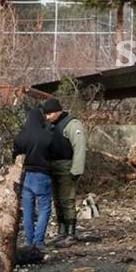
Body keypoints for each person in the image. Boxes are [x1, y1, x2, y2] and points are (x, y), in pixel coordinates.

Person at [43, 98, 87, 247]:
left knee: (67, 200)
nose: (47, 117)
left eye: (49, 114)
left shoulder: (72, 124)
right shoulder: (50, 125)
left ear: (57, 111)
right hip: (52, 166)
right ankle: (62, 231)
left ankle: (71, 233)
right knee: (57, 200)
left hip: (67, 166)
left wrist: (77, 169)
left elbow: (79, 148)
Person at [12, 107, 53, 251]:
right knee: (44, 209)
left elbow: (15, 156)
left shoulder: (20, 136)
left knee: (28, 210)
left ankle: (29, 242)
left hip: (25, 176)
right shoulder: (48, 135)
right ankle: (39, 241)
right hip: (43, 175)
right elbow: (56, 155)